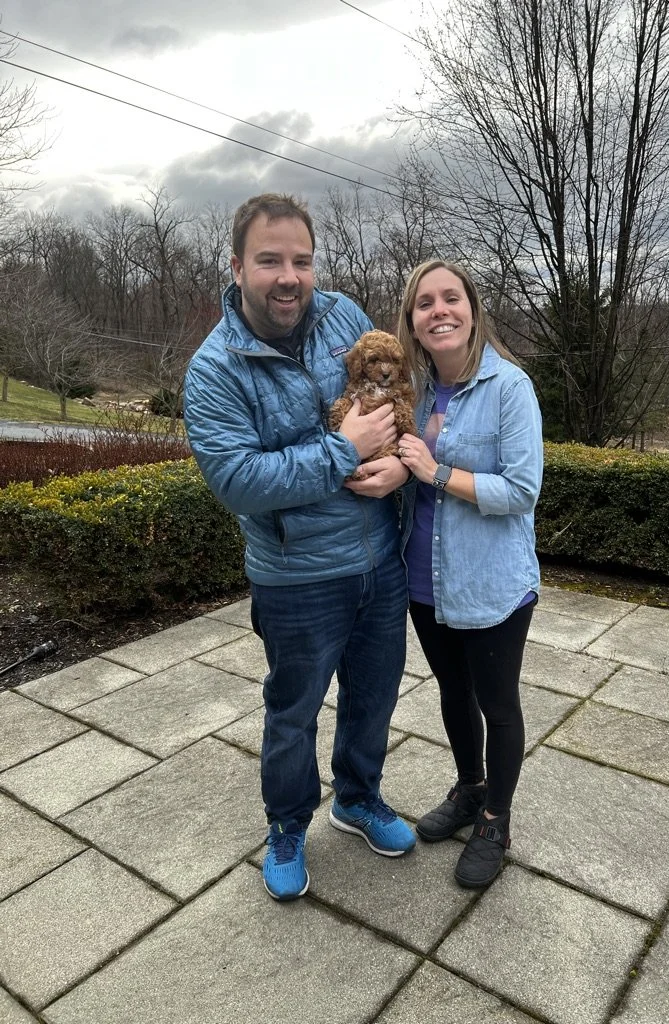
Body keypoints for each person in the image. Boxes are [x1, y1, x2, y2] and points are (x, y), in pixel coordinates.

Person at [184, 194, 415, 903]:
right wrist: (342, 449)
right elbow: (239, 481)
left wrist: (404, 460)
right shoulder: (215, 368)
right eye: (270, 260)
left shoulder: (344, 316)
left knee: (373, 697)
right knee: (293, 711)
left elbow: (403, 389)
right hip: (296, 575)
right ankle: (286, 824)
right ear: (236, 267)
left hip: (381, 558)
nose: (289, 276)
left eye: (301, 261)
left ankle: (357, 796)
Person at [395, 259, 543, 889]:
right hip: (425, 580)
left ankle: (494, 820)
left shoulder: (510, 388)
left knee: (497, 705)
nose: (439, 311)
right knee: (453, 696)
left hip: (491, 585)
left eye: (450, 298)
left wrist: (434, 471)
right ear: (413, 322)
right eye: (424, 303)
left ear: (473, 308)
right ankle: (469, 789)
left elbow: (521, 488)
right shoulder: (417, 392)